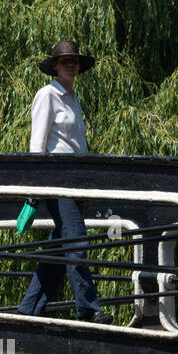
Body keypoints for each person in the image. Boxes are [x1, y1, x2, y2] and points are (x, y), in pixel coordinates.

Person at [15, 40, 112, 324]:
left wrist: (87, 186)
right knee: (76, 242)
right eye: (65, 60)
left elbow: (78, 146)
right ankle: (88, 309)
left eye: (74, 60)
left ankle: (28, 309)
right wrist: (39, 183)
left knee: (59, 247)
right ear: (55, 66)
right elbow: (37, 144)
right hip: (56, 181)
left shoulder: (73, 98)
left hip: (75, 180)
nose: (71, 64)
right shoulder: (47, 94)